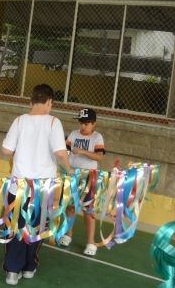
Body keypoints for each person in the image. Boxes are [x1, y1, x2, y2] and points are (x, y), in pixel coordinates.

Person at [1, 84, 73, 285]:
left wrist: (23, 152)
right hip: (42, 188)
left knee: (17, 226)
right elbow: (60, 153)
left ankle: (12, 271)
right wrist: (70, 168)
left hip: (19, 186)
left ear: (31, 101)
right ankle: (29, 267)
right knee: (37, 227)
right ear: (50, 102)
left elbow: (6, 150)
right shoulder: (53, 122)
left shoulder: (19, 121)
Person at [58, 108, 105, 256]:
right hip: (72, 174)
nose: (83, 127)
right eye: (81, 123)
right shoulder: (73, 134)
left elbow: (99, 157)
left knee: (88, 210)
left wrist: (83, 152)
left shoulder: (97, 137)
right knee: (70, 206)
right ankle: (67, 234)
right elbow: (64, 151)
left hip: (89, 176)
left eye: (86, 124)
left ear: (94, 124)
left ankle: (91, 242)